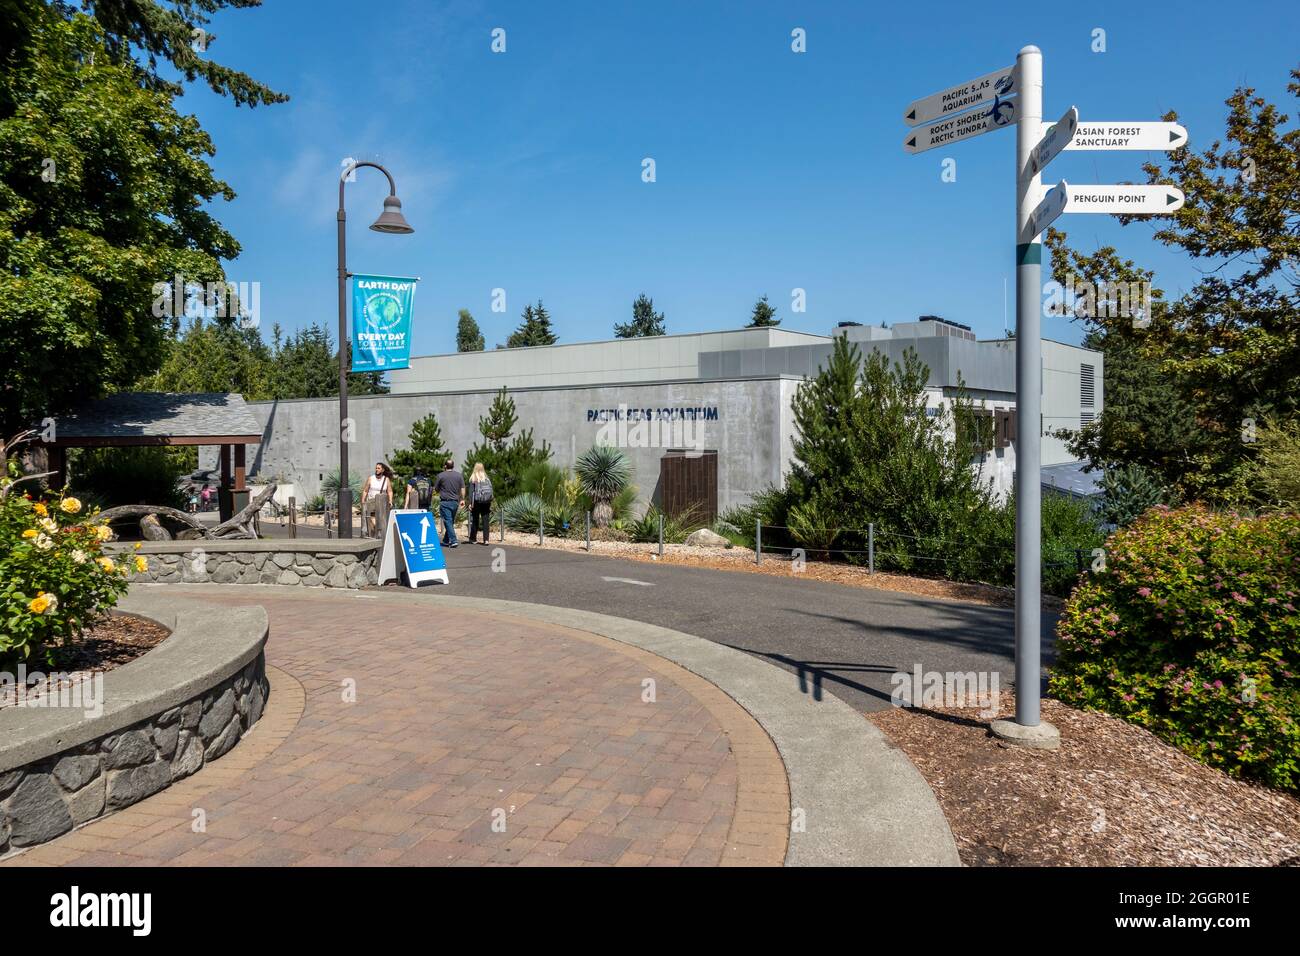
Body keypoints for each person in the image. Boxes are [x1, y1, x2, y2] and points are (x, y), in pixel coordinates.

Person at [433, 457, 465, 548]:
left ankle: (454, 540)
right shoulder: (459, 475)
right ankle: (446, 540)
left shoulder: (441, 475)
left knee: (448, 521)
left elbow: (436, 489)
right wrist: (462, 499)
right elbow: (462, 488)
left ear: (445, 466)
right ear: (453, 466)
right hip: (455, 502)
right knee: (450, 522)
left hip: (445, 502)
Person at [361, 462, 394, 537]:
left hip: (382, 504)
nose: (376, 469)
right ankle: (373, 534)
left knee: (380, 521)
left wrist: (390, 501)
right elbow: (365, 490)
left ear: (382, 470)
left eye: (378, 468)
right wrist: (363, 501)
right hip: (371, 503)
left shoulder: (386, 479)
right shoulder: (371, 478)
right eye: (376, 468)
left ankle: (378, 536)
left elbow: (390, 491)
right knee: (373, 522)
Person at [467, 462, 494, 545]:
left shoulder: (473, 478)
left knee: (475, 520)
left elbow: (471, 492)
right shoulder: (486, 478)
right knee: (486, 521)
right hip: (486, 501)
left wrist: (470, 503)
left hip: (477, 501)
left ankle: (473, 538)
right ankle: (486, 540)